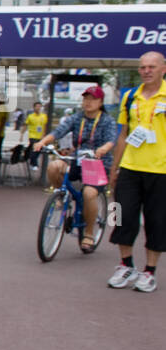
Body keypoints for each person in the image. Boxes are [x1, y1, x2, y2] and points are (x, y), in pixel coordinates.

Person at [32, 85, 119, 251]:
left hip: (98, 164)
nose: (88, 102)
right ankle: (61, 196)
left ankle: (89, 232)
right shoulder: (77, 117)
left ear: (100, 102)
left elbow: (111, 140)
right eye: (86, 98)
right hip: (78, 160)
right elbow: (59, 131)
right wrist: (42, 142)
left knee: (89, 193)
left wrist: (103, 149)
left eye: (92, 99)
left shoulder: (107, 120)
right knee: (54, 167)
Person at [107, 51, 166, 293]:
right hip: (130, 168)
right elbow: (123, 134)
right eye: (143, 67)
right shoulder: (130, 96)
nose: (146, 71)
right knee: (121, 216)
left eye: (152, 66)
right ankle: (125, 264)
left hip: (161, 170)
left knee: (157, 222)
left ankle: (149, 271)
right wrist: (115, 167)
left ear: (163, 69)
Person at [24, 101, 47, 168]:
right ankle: (34, 164)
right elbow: (26, 124)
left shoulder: (44, 116)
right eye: (37, 106)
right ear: (34, 107)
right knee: (35, 149)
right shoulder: (30, 116)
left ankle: (32, 161)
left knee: (38, 150)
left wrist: (44, 134)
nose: (38, 108)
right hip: (32, 136)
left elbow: (45, 125)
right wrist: (22, 134)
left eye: (39, 106)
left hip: (40, 136)